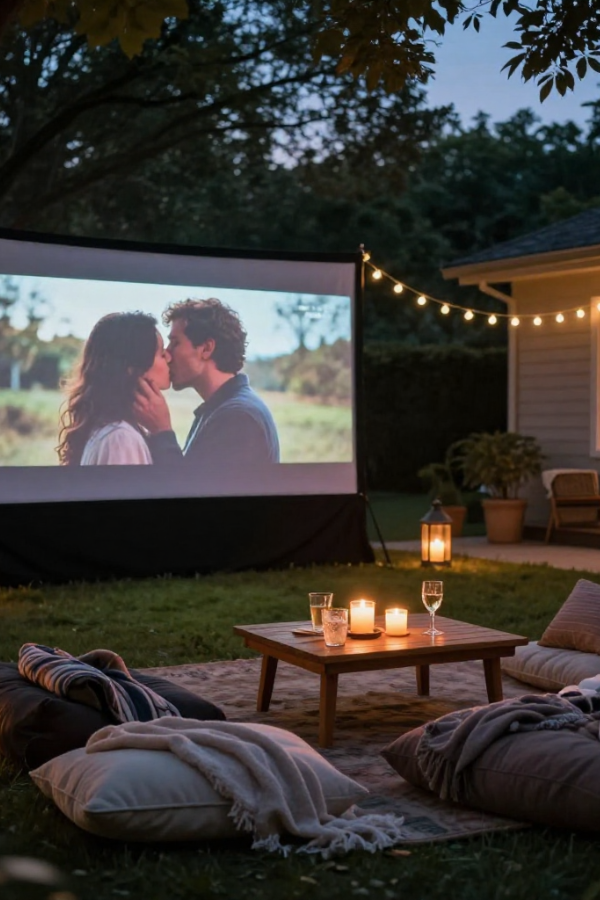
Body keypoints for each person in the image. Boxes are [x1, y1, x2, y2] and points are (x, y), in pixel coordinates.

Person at [134, 298, 280, 471]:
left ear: (206, 349)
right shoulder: (223, 408)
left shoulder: (237, 417)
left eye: (175, 343)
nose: (167, 354)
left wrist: (162, 432)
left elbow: (190, 493)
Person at [57, 312, 171, 465]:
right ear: (132, 368)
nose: (169, 358)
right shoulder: (121, 439)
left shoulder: (114, 430)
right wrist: (164, 432)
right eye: (162, 354)